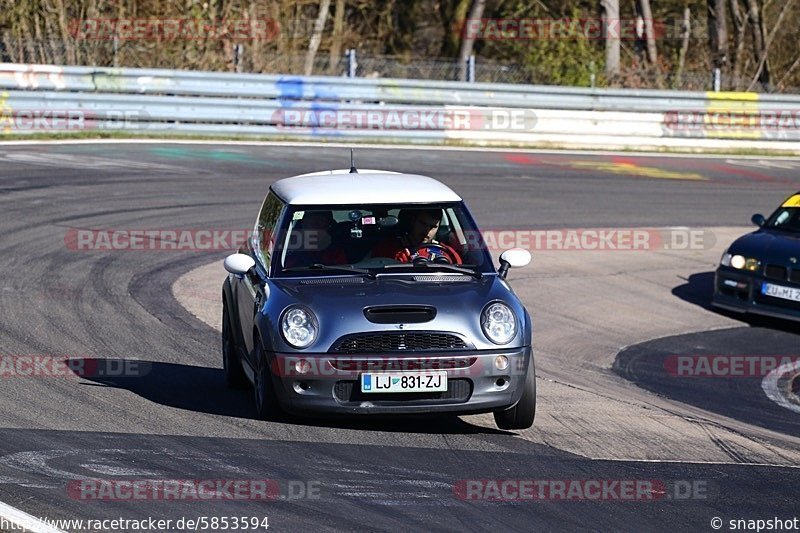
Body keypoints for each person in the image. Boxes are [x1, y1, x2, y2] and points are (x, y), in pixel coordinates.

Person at [371, 208, 462, 264]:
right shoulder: (387, 249)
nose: (427, 231)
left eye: (433, 227)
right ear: (412, 222)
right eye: (423, 224)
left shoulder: (447, 252)